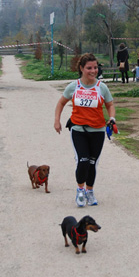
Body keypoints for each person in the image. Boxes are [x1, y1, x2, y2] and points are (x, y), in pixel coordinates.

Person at [54, 53, 116, 208]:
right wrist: (57, 120)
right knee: (83, 160)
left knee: (92, 163)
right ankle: (80, 190)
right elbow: (61, 103)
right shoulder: (73, 86)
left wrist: (112, 118)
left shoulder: (101, 87)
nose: (93, 71)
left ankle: (90, 191)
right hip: (78, 129)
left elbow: (110, 104)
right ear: (81, 68)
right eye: (89, 68)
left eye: (95, 67)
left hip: (98, 131)